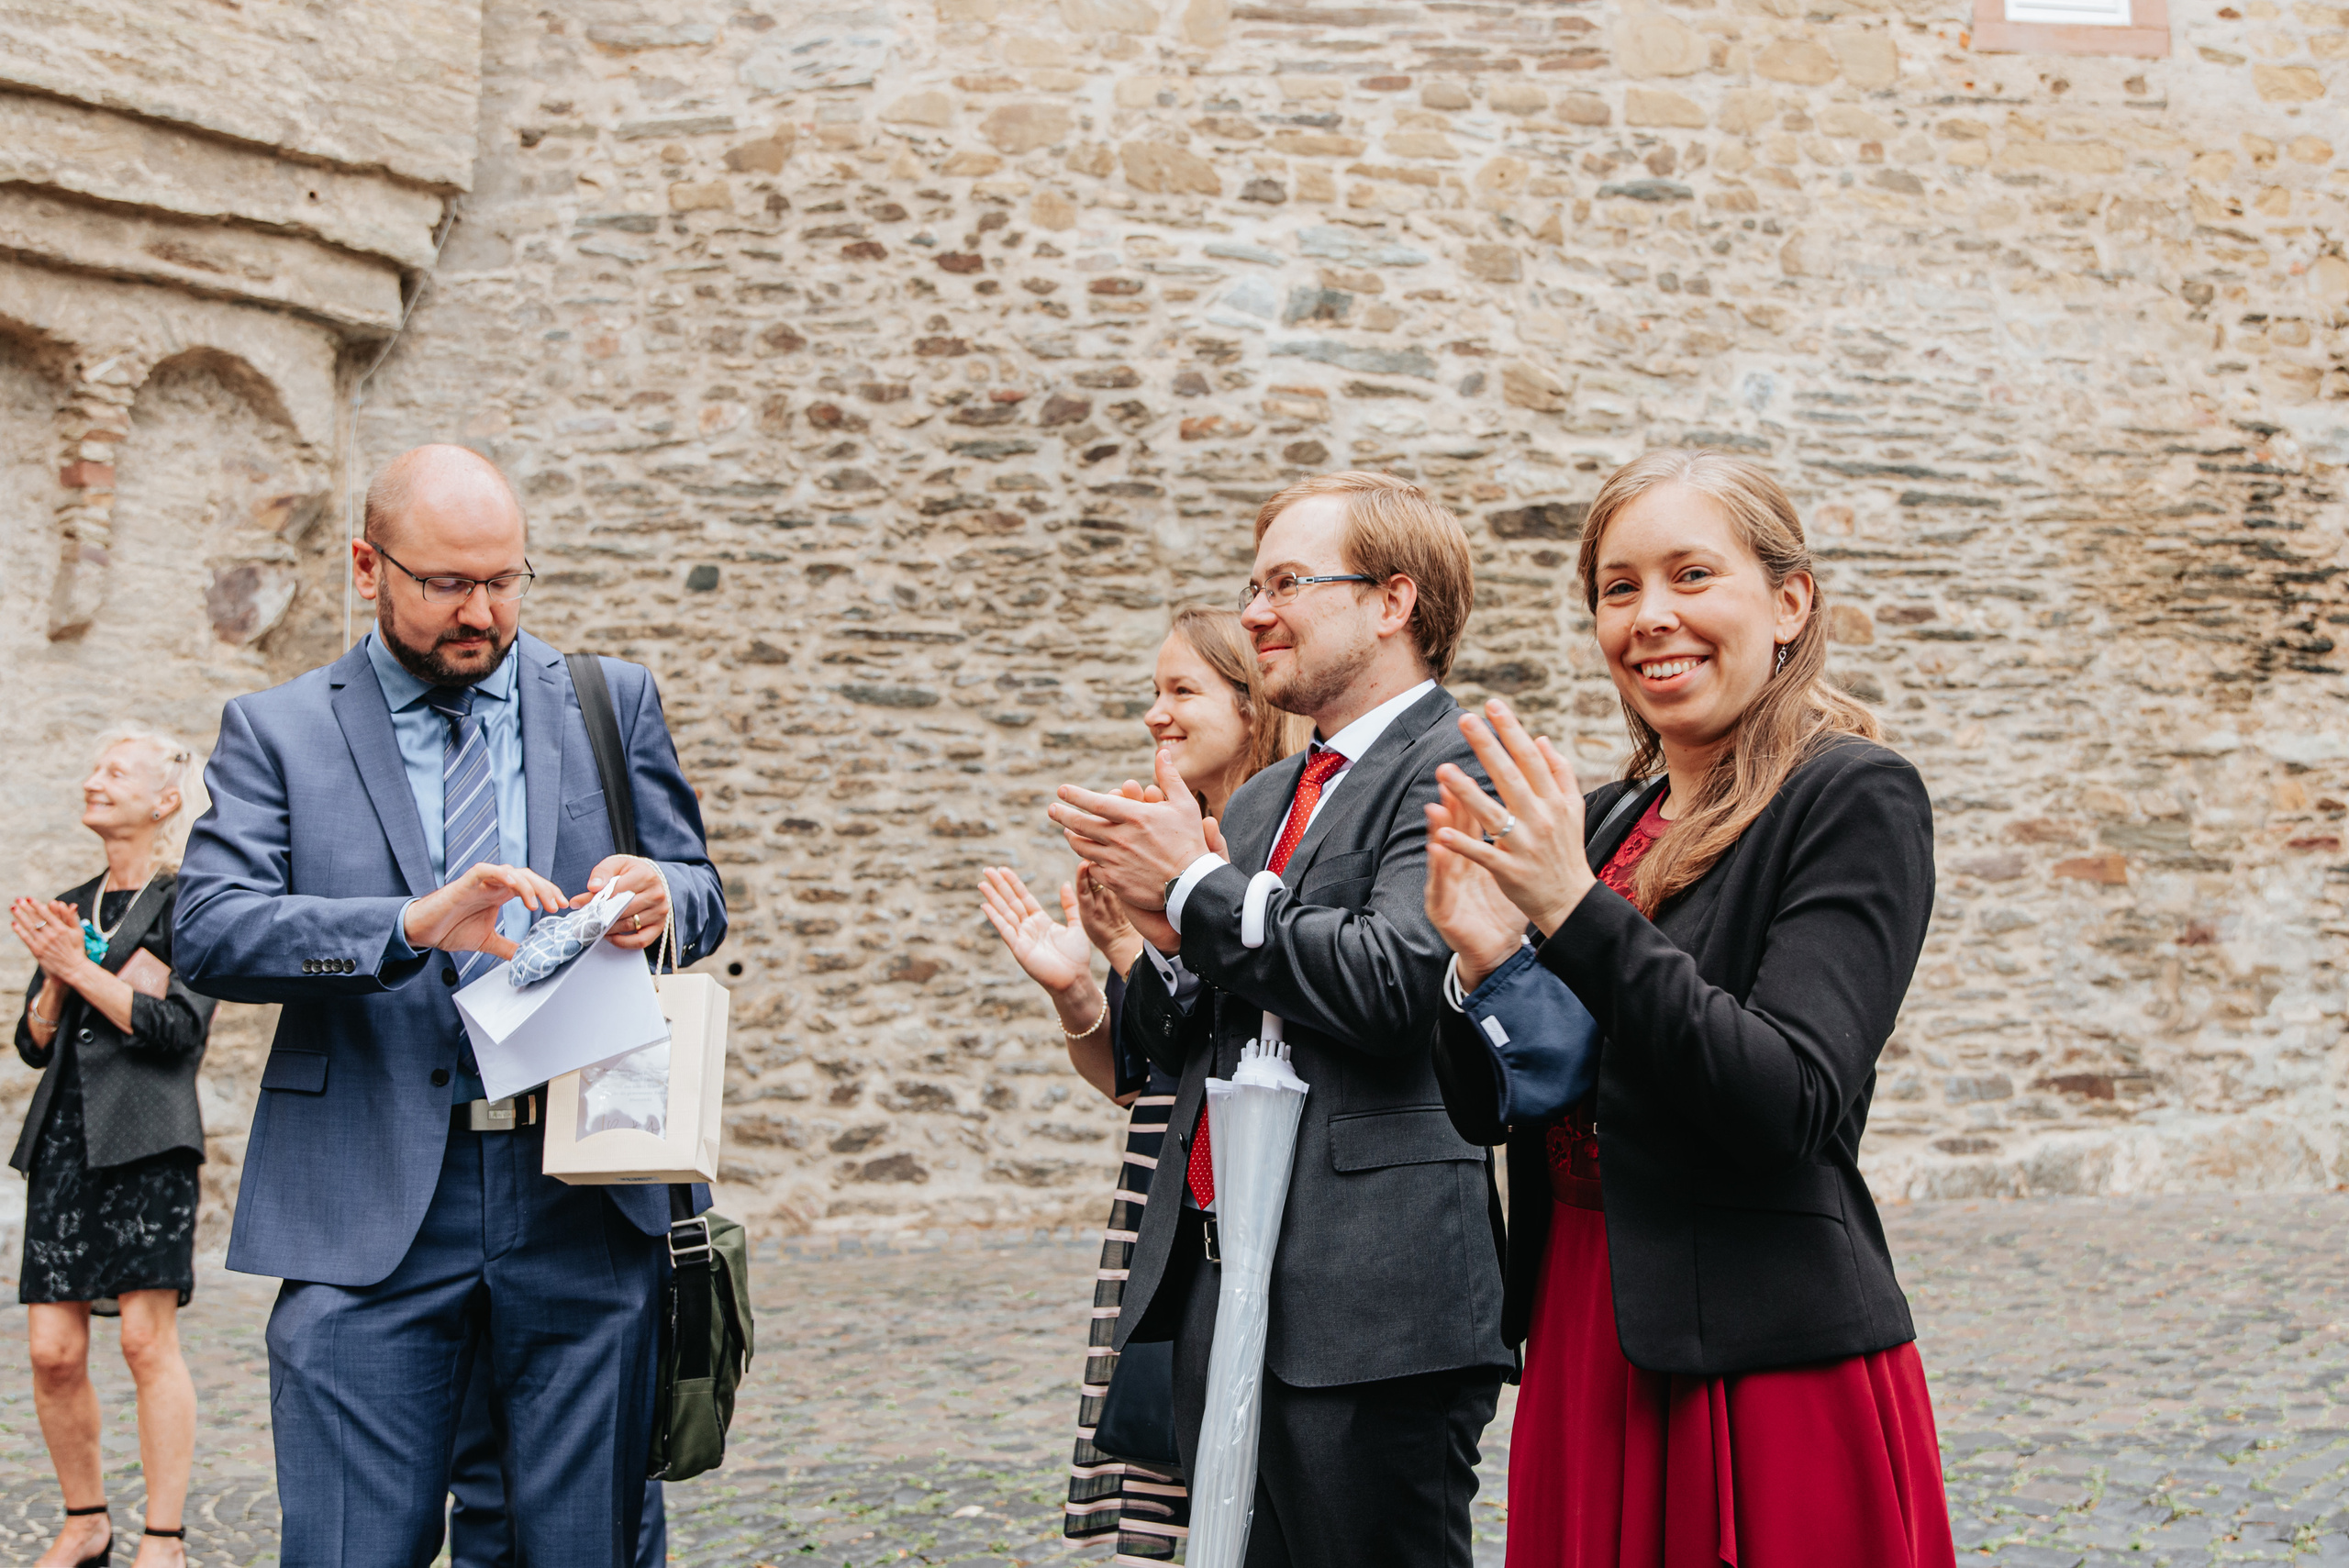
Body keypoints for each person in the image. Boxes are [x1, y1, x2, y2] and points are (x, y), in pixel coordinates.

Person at [173, 444, 728, 1568]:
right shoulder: (276, 727)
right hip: (366, 1209)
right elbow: (212, 929)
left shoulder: (606, 700)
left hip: (582, 1197)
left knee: (581, 1546)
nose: (482, 612)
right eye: (448, 585)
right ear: (369, 567)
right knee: (347, 1546)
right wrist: (407, 926)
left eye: (507, 580)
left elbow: (702, 889)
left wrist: (664, 895)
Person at [1419, 449, 1955, 1567]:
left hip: (1757, 1355)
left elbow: (1784, 1096)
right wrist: (1482, 964)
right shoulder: (1609, 818)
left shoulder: (1850, 794)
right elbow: (1509, 1097)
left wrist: (1569, 908)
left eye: (1692, 575)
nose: (1652, 616)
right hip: (1586, 1317)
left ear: (1789, 599)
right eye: (1619, 589)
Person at [1050, 473, 1509, 1568]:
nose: (1254, 611)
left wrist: (1201, 888)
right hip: (1225, 1272)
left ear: (1393, 602)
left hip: (1373, 1300)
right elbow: (1195, 1038)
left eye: (1286, 583)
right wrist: (1124, 947)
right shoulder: (1261, 801)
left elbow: (1395, 984)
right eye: (1252, 585)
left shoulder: (1460, 766)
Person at [978, 606, 1304, 1560]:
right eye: (1153, 693)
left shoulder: (1266, 854)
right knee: (1165, 1488)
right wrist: (1078, 986)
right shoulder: (1145, 845)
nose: (1157, 714)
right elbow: (1133, 1074)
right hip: (1158, 1190)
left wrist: (1128, 941)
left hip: (1248, 1191)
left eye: (1182, 691)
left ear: (1252, 708)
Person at [11, 731, 215, 1568]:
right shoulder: (73, 900)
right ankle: (85, 1519)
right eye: (92, 768)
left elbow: (175, 1029)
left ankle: (161, 1536)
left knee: (142, 1342)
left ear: (165, 800)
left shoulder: (193, 903)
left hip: (148, 1138)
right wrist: (60, 975)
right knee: (51, 1351)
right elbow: (31, 1043)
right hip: (64, 1136)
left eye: (114, 773)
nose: (93, 782)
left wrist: (79, 968)